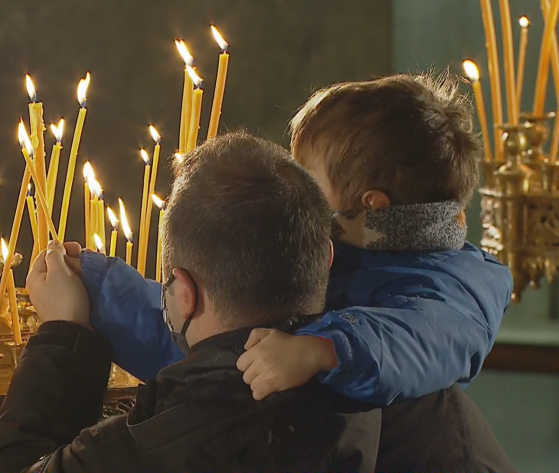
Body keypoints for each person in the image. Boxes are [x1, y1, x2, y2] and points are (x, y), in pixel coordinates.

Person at [75, 73, 512, 406]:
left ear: (372, 206)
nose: (294, 184)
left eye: (307, 174)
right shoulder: (341, 249)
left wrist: (321, 349)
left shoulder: (456, 288)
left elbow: (420, 339)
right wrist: (93, 284)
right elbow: (207, 342)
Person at [0, 133, 383, 472]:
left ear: (186, 294)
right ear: (326, 259)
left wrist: (63, 332)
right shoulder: (381, 389)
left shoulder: (155, 443)